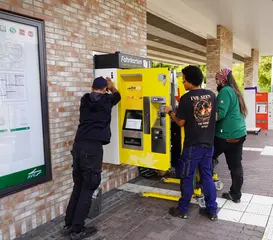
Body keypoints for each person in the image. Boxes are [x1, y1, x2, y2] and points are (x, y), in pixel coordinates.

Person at [63, 76, 121, 240]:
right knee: (89, 186)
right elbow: (118, 96)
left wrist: (105, 88)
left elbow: (97, 95)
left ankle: (69, 224)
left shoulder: (84, 99)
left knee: (79, 185)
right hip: (92, 148)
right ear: (104, 89)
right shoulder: (107, 100)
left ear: (92, 87)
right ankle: (77, 230)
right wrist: (112, 86)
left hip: (78, 145)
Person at [164, 65, 218, 221]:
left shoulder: (186, 98)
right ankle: (212, 210)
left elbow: (180, 122)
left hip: (192, 146)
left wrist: (169, 112)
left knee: (187, 176)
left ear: (189, 80)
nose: (182, 80)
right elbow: (214, 117)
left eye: (183, 78)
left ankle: (183, 209)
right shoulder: (211, 95)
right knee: (206, 176)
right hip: (208, 144)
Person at [213, 68, 247, 203]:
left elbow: (220, 114)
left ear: (223, 80)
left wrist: (201, 117)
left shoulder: (225, 91)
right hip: (239, 134)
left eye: (217, 79)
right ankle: (236, 195)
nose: (216, 82)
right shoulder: (235, 91)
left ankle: (204, 186)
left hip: (226, 135)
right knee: (236, 166)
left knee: (206, 156)